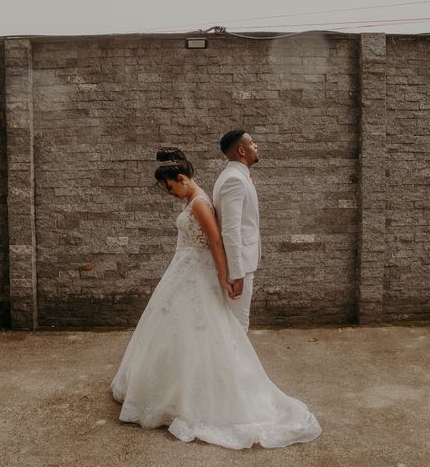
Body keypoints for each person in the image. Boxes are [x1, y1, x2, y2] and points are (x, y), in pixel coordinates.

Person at [110, 147, 322, 450]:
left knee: (198, 333)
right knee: (173, 333)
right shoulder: (191, 200)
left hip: (196, 276)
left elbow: (216, 242)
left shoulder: (199, 204)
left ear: (181, 178)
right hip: (182, 273)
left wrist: (225, 278)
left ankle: (188, 398)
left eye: (170, 187)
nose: (170, 193)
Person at [213, 130, 261, 333]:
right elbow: (231, 231)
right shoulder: (234, 180)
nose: (256, 146)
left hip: (240, 264)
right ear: (241, 149)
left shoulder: (236, 176)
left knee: (234, 326)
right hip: (238, 267)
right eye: (252, 143)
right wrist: (237, 273)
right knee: (238, 327)